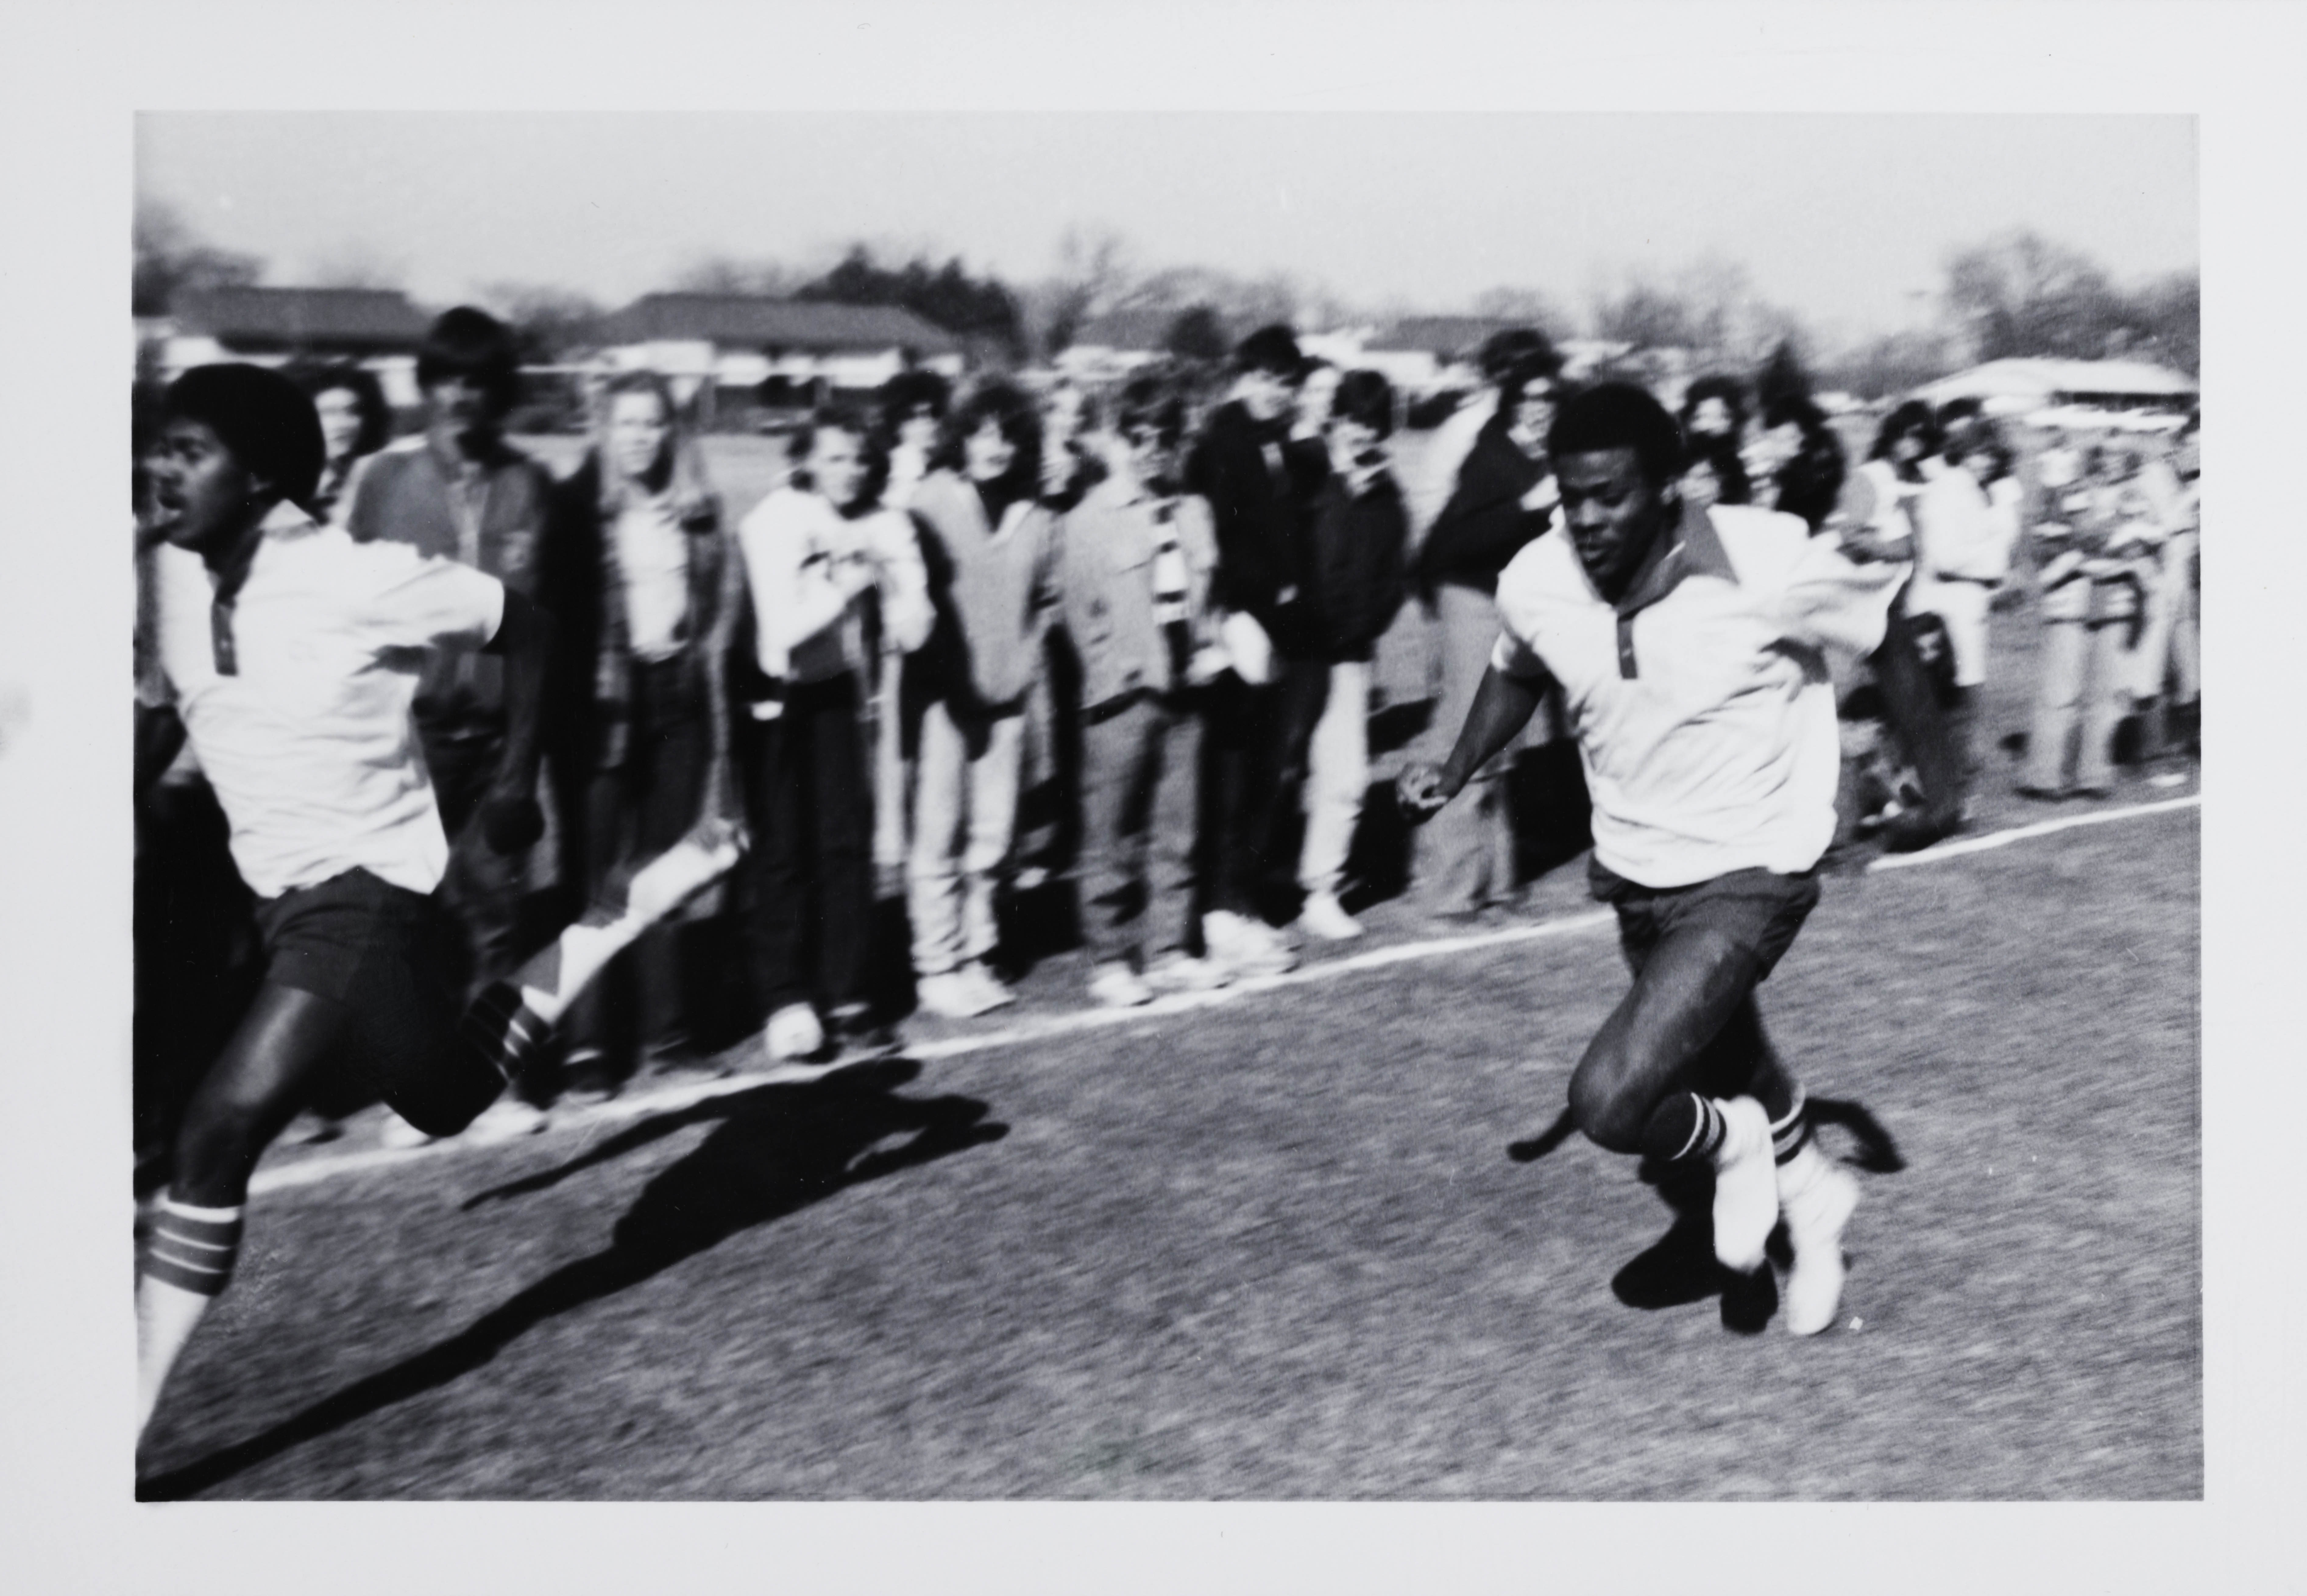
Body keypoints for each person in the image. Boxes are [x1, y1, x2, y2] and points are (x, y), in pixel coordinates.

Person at [133, 364, 738, 1443]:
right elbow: (175, 706)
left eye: (188, 451)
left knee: (216, 1134)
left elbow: (533, 628)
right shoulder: (169, 573)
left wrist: (513, 785)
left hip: (367, 897)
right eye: (159, 445)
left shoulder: (356, 577)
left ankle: (118, 1428)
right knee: (440, 1098)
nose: (158, 467)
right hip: (276, 903)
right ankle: (619, 911)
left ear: (263, 476)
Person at [1398, 384, 1897, 1336]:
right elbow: (1517, 668)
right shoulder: (1537, 577)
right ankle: (1813, 1199)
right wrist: (1457, 763)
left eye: (1611, 496)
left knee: (1613, 1100)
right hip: (1633, 867)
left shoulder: (1765, 558)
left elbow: (1887, 633)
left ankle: (1741, 1147)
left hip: (1753, 866)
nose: (1586, 518)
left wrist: (1937, 782)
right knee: (1734, 1057)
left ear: (1668, 486)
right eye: (1570, 494)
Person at [345, 306, 561, 1138]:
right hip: (409, 736)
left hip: (496, 738)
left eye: (478, 382)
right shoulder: (386, 484)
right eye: (446, 381)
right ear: (426, 387)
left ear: (499, 391)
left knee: (495, 913)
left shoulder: (528, 486)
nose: (461, 397)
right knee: (408, 918)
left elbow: (538, 631)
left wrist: (522, 762)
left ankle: (490, 1089)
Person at [540, 371, 745, 1098]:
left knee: (661, 875)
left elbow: (716, 603)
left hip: (675, 700)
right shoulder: (576, 509)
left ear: (671, 431)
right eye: (625, 423)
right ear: (605, 428)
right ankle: (587, 1046)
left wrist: (696, 665)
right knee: (597, 877)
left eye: (652, 423)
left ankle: (669, 1036)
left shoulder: (697, 509)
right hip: (604, 704)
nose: (638, 437)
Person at [736, 403, 934, 1055]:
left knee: (846, 844)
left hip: (837, 691)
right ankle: (787, 999)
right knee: (784, 847)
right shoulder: (776, 520)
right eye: (833, 458)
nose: (849, 472)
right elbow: (780, 634)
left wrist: (908, 607)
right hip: (772, 693)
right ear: (805, 460)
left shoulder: (884, 516)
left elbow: (915, 608)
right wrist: (849, 583)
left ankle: (848, 993)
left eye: (858, 458)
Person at [1058, 374, 1233, 1005]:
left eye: (1166, 437)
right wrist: (1118, 684)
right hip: (1124, 702)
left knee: (1178, 830)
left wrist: (1211, 650)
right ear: (1118, 439)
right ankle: (1109, 955)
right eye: (1139, 436)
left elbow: (1206, 598)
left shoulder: (1194, 510)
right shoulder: (1088, 520)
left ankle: (1167, 949)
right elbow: (1083, 620)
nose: (1152, 449)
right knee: (1112, 835)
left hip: (1189, 697)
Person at [904, 380, 1062, 1018]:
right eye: (982, 433)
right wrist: (941, 674)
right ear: (961, 436)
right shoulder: (932, 501)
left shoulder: (1039, 513)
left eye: (1008, 435)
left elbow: (1047, 600)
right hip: (946, 702)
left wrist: (1023, 662)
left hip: (1008, 703)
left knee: (995, 841)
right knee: (939, 835)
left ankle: (977, 954)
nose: (995, 448)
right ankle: (935, 964)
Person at [1408, 342, 1564, 920]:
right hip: (1468, 595)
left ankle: (1495, 885)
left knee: (1502, 741)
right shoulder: (1490, 453)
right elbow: (1459, 539)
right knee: (1465, 736)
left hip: (1511, 605)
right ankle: (1448, 891)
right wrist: (1528, 506)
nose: (1540, 407)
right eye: (1528, 397)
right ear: (1511, 400)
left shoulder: (1542, 454)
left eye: (1549, 397)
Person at [1184, 325, 1317, 978]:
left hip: (1277, 630)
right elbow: (1220, 547)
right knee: (1231, 778)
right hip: (1241, 625)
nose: (1276, 392)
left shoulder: (1283, 444)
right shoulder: (1220, 442)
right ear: (1245, 377)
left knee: (1266, 777)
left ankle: (1242, 904)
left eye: (1287, 383)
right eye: (1266, 378)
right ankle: (1219, 913)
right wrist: (1261, 601)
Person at [1291, 369, 1409, 941]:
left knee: (1344, 778)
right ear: (1336, 417)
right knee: (1270, 780)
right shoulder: (1305, 473)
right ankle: (1236, 902)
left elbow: (1392, 578)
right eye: (1354, 420)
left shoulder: (1388, 496)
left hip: (1347, 658)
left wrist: (1358, 628)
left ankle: (1321, 890)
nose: (1363, 434)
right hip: (1292, 654)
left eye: (1373, 424)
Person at [2018, 447, 2165, 798]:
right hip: (2070, 605)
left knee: (2106, 696)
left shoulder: (2138, 500)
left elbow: (2149, 551)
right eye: (2104, 462)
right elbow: (2050, 547)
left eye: (2120, 461)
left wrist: (2116, 560)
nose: (2111, 468)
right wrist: (2101, 559)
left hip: (2114, 607)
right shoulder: (2069, 495)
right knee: (2059, 693)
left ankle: (2094, 774)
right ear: (2093, 465)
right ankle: (2044, 776)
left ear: (2130, 465)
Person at [870, 368, 955, 896]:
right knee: (895, 741)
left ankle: (922, 840)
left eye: (932, 415)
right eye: (914, 416)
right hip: (899, 624)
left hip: (940, 619)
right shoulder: (894, 475)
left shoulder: (942, 471)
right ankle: (891, 846)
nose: (925, 424)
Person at [1906, 419, 2020, 779]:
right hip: (1941, 610)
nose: (1984, 462)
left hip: (1965, 607)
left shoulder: (1977, 491)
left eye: (1991, 455)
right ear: (1963, 451)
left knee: (1961, 700)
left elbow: (2001, 541)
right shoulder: (1948, 489)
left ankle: (1953, 780)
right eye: (1977, 453)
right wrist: (1995, 565)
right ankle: (1939, 782)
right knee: (1941, 703)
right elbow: (1945, 557)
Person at [292, 362, 393, 526]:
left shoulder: (379, 479)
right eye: (329, 412)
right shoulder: (284, 486)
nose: (343, 423)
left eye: (353, 412)